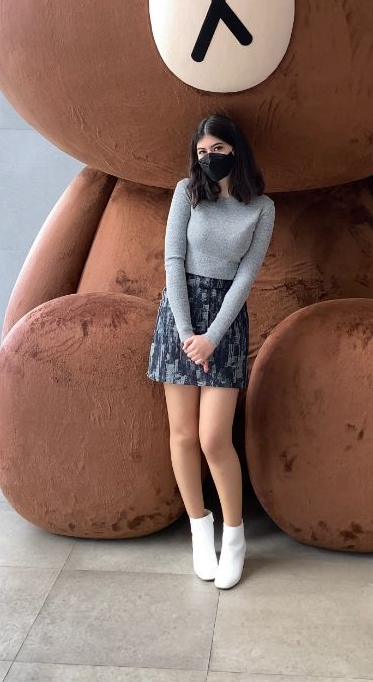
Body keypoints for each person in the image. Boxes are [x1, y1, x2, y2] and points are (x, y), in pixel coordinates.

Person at [147, 113, 275, 589]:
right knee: (181, 436)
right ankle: (201, 532)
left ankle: (235, 537)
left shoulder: (261, 208)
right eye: (202, 152)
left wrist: (212, 337)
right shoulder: (186, 193)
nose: (209, 159)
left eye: (217, 150)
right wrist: (186, 332)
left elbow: (246, 276)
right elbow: (173, 259)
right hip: (179, 318)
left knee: (214, 440)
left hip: (224, 323)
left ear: (236, 150)